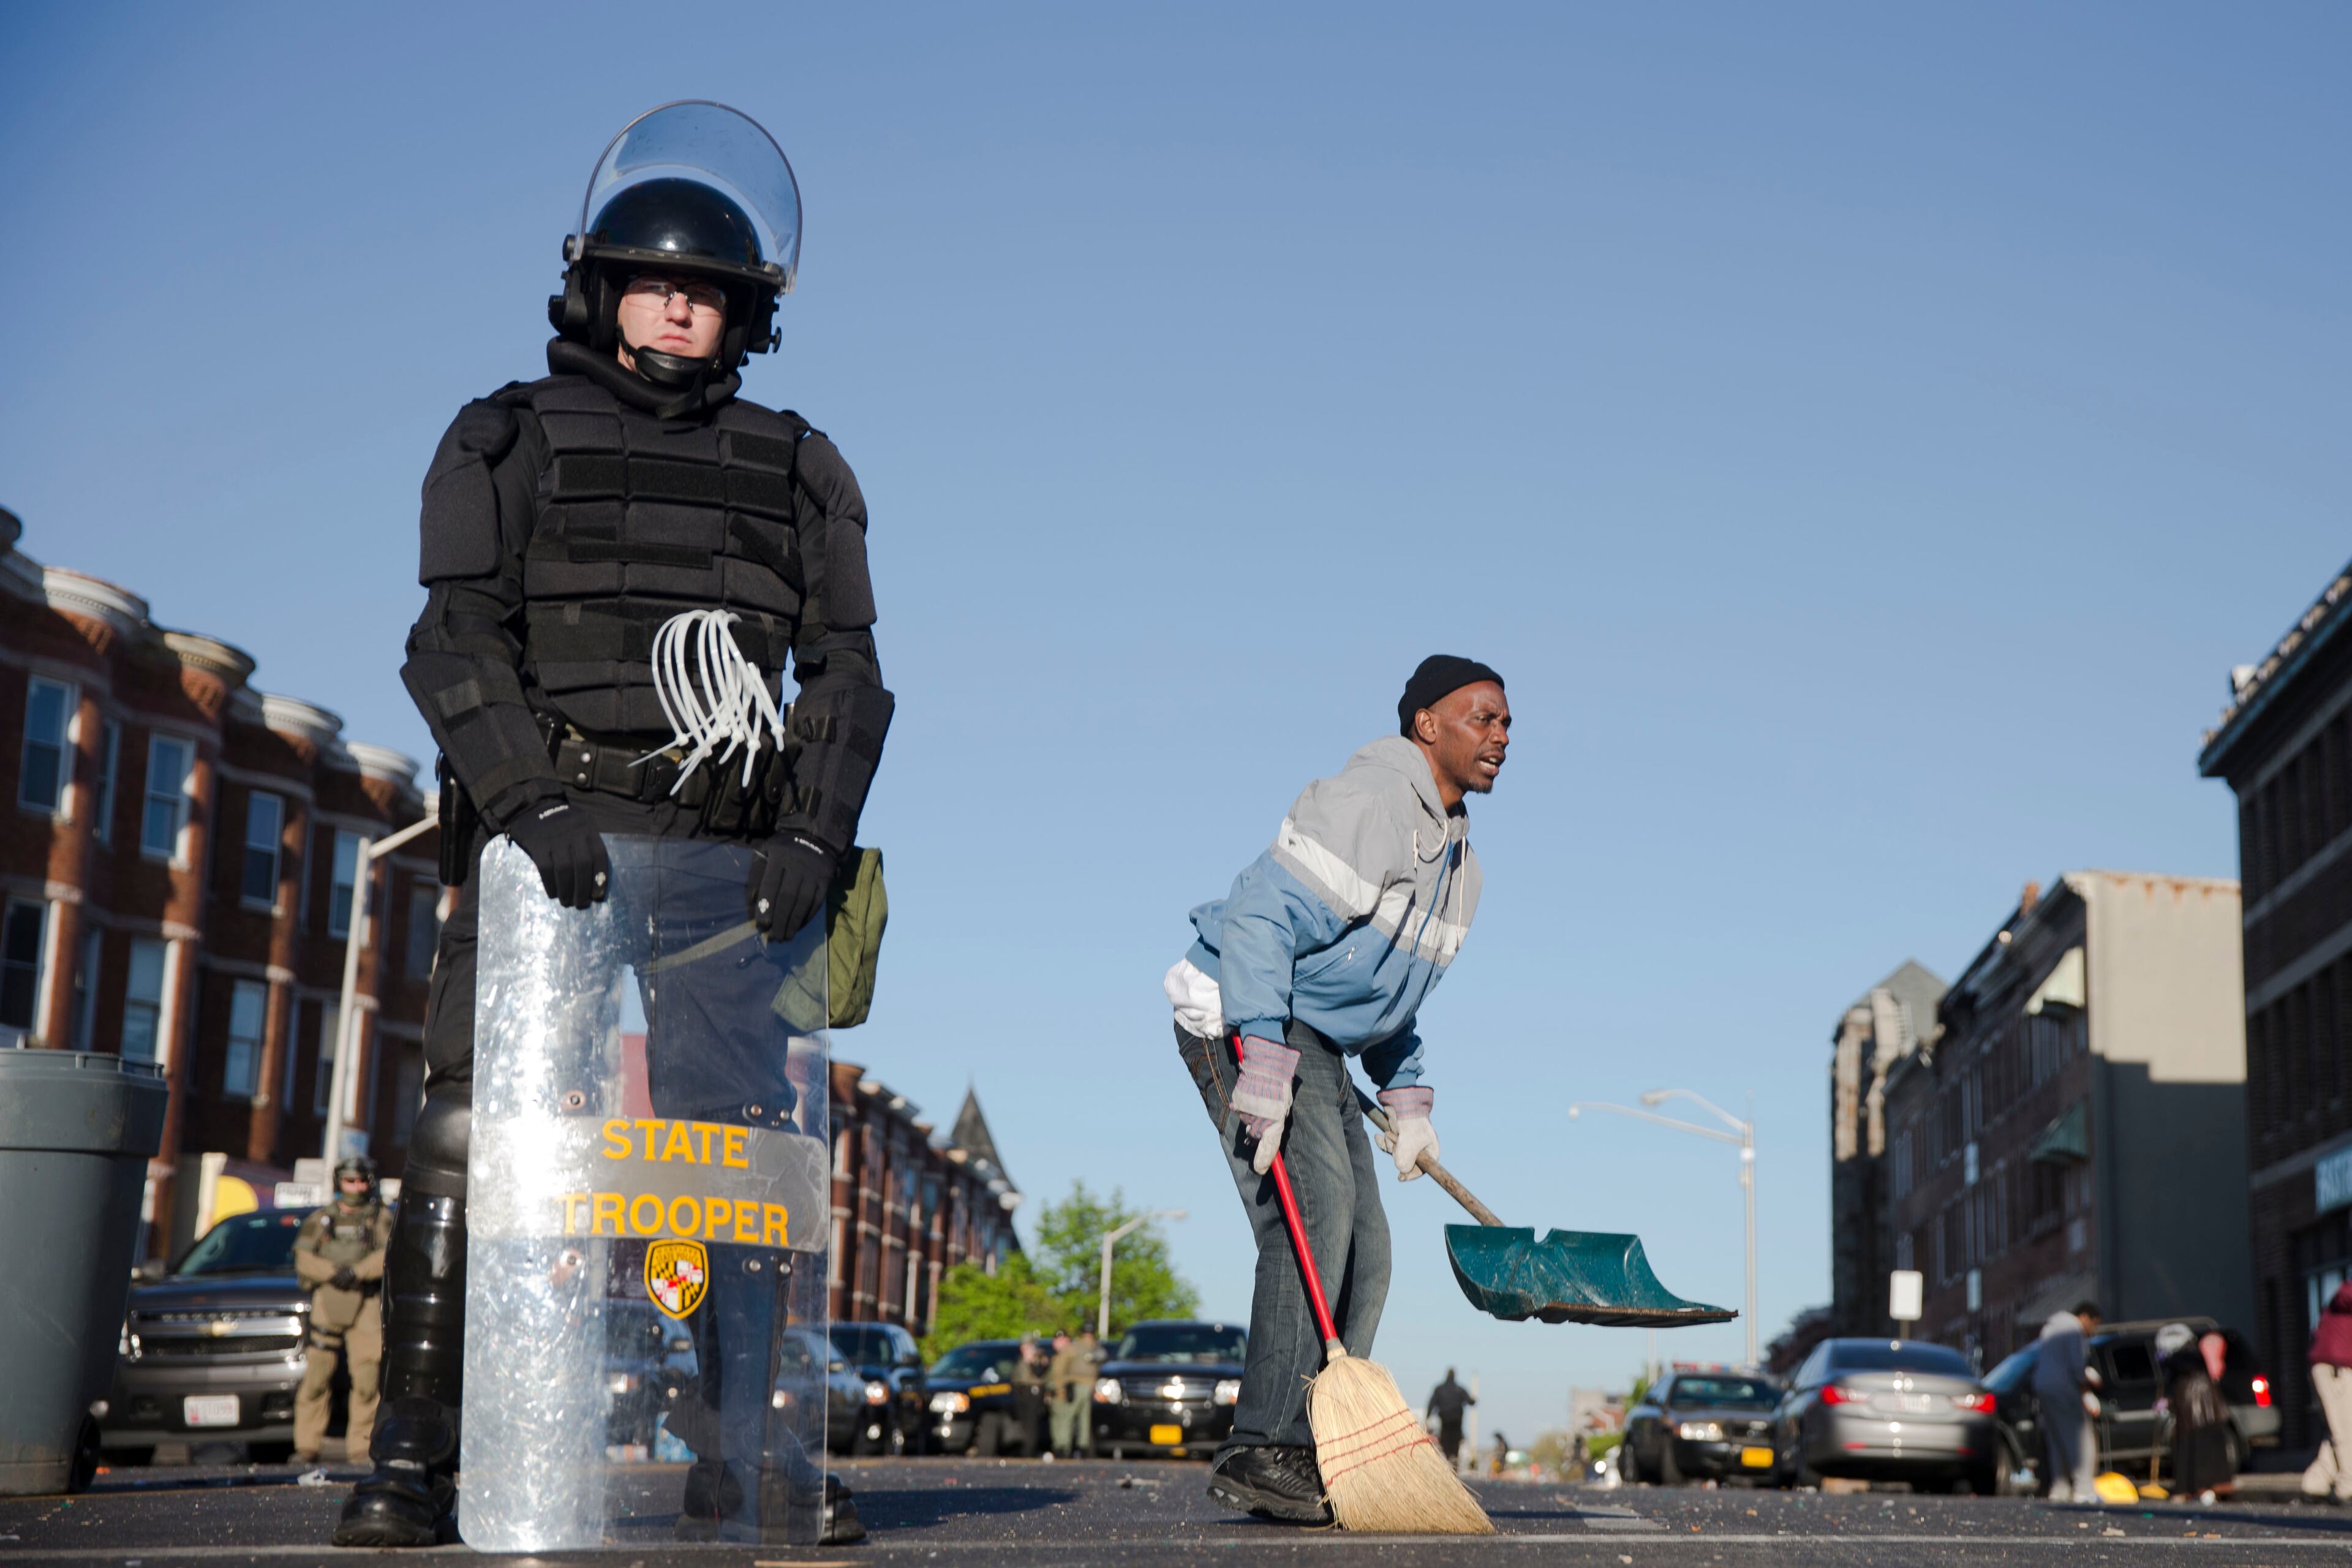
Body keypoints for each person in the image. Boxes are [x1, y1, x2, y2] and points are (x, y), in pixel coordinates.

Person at [333, 103, 891, 1550]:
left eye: (703, 291)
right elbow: (452, 641)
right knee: (470, 1134)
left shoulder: (801, 466)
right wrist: (523, 800)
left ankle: (746, 1451)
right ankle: (413, 1456)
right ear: (597, 287)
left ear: (741, 313)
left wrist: (812, 841)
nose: (676, 307)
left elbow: (846, 676)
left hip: (729, 864)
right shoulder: (502, 436)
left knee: (734, 1157)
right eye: (652, 281)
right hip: (549, 850)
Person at [1170, 657, 1509, 1525]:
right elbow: (1259, 917)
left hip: (1315, 1037)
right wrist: (1266, 1063)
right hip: (1241, 1012)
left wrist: (1410, 1100)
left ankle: (1322, 1441)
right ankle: (1263, 1446)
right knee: (1314, 1218)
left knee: (1371, 1249)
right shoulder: (1368, 804)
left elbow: (1385, 998)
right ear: (1426, 724)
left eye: (1507, 725)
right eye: (1482, 718)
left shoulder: (1461, 866)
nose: (1501, 738)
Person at [291, 1157, 393, 1464]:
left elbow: (389, 1253)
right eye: (350, 1181)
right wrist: (334, 1271)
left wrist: (359, 1272)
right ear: (339, 1183)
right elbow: (303, 1258)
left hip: (366, 1302)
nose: (356, 1187)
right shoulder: (322, 1219)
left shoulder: (381, 1218)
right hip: (328, 1300)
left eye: (361, 1181)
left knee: (366, 1379)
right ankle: (306, 1446)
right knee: (317, 1377)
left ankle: (361, 1449)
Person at [2032, 1300, 2103, 1502]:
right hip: (2064, 1389)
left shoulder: (2049, 1328)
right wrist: (2086, 1392)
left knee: (2056, 1440)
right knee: (2081, 1439)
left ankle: (2060, 1489)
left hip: (2043, 1388)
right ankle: (2084, 1489)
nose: (2093, 1330)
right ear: (2085, 1317)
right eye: (2094, 1324)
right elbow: (2076, 1365)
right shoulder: (2073, 1330)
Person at [2154, 1322, 2233, 1502]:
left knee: (2192, 1448)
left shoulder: (2182, 1356)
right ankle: (2208, 1486)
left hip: (2191, 1406)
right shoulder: (2192, 1353)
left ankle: (2196, 1487)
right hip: (2207, 1406)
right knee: (2204, 1447)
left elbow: (2177, 1375)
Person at [2304, 1282, 2352, 1502]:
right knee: (2346, 1427)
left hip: (2334, 1366)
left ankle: (2316, 1481)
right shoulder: (2345, 1295)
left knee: (2338, 1427)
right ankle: (2348, 1485)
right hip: (2336, 1368)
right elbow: (2346, 1296)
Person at [1427, 1368, 1474, 1471]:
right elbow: (1470, 1401)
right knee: (1455, 1442)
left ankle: (1449, 1458)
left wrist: (1427, 1417)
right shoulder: (1460, 1389)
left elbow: (1431, 1404)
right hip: (1457, 1422)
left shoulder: (1439, 1389)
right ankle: (1454, 1460)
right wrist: (1473, 1400)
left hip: (1445, 1422)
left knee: (1446, 1440)